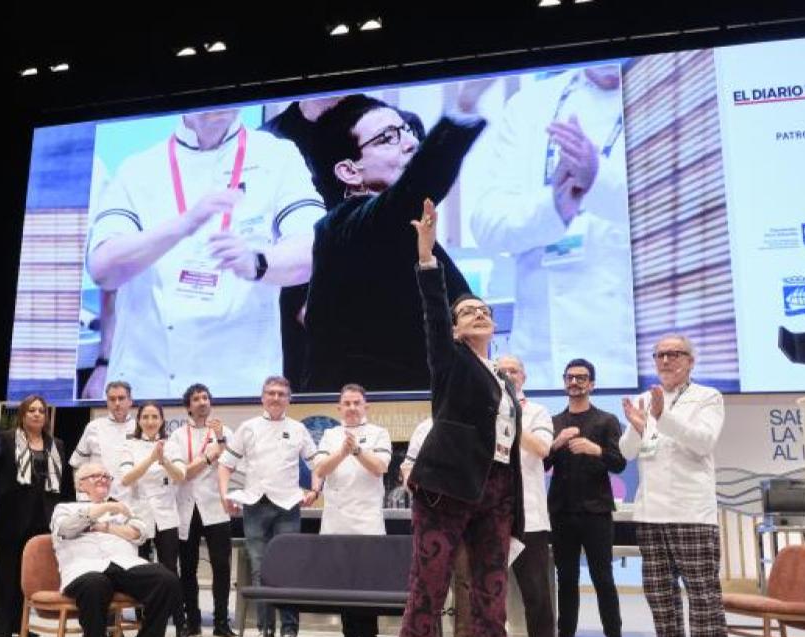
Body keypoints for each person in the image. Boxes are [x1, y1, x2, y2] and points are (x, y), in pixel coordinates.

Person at [385, 199, 523, 637]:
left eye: (483, 309)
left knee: (491, 611)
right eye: (467, 311)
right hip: (444, 493)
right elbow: (432, 306)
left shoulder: (504, 378)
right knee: (426, 597)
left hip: (494, 498)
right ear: (455, 327)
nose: (476, 313)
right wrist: (425, 255)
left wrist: (514, 508)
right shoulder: (449, 358)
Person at [84, 109, 324, 398]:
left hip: (239, 382)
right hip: (149, 383)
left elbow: (315, 248)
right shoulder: (139, 169)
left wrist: (257, 261)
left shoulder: (277, 157)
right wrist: (185, 224)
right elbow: (103, 267)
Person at [301, 81, 493, 393]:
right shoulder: (342, 228)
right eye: (387, 138)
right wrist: (463, 111)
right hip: (368, 417)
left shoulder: (400, 228)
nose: (409, 143)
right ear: (349, 172)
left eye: (406, 130)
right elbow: (415, 186)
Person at [469, 64, 637, 389]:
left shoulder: (672, 86)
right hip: (539, 361)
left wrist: (598, 179)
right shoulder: (531, 104)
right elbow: (487, 224)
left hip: (631, 358)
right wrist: (553, 208)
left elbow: (683, 203)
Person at [620, 334, 729, 637]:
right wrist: (637, 427)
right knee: (660, 595)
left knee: (703, 595)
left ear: (690, 361)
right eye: (660, 354)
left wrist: (663, 418)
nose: (666, 360)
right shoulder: (642, 399)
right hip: (651, 512)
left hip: (691, 511)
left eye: (674, 354)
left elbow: (703, 442)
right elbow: (626, 453)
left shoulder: (708, 397)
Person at [52, 462, 182, 637]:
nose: (103, 479)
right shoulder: (65, 508)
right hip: (85, 568)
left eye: (106, 476)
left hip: (125, 565)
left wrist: (104, 528)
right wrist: (103, 510)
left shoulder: (123, 509)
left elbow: (138, 533)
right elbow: (68, 528)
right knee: (96, 585)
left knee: (167, 580)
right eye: (95, 476)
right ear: (80, 484)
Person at [218, 375, 318, 637]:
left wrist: (315, 488)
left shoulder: (298, 429)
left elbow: (316, 461)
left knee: (289, 568)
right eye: (271, 393)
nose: (275, 398)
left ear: (289, 399)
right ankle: (264, 629)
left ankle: (289, 631)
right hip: (254, 506)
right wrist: (226, 494)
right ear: (262, 397)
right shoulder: (248, 428)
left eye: (281, 394)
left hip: (288, 507)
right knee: (261, 569)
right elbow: (226, 464)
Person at [545, 358, 629, 637]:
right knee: (565, 580)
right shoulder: (554, 421)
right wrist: (557, 443)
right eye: (570, 377)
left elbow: (619, 463)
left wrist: (596, 451)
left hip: (596, 512)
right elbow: (541, 464)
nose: (575, 382)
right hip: (562, 511)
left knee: (603, 580)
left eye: (582, 378)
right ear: (565, 382)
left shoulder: (607, 421)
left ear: (591, 384)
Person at [312, 383, 392, 637]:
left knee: (367, 584)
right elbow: (320, 469)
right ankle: (349, 634)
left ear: (366, 406)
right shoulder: (330, 435)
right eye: (346, 403)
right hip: (336, 519)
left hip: (367, 521)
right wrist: (343, 452)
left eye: (357, 402)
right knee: (341, 582)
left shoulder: (379, 433)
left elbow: (380, 467)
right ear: (339, 408)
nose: (352, 408)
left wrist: (356, 450)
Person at [0, 394, 70, 637]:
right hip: (9, 518)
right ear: (22, 414)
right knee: (4, 574)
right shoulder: (5, 440)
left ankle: (19, 623)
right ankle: (0, 627)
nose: (36, 414)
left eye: (41, 411)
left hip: (41, 520)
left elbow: (63, 485)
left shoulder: (56, 444)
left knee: (29, 576)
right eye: (31, 410)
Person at [495, 354, 557, 637]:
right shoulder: (483, 410)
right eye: (501, 371)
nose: (507, 375)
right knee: (486, 590)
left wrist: (512, 420)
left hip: (529, 517)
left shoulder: (537, 412)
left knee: (536, 592)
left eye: (513, 370)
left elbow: (543, 449)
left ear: (524, 376)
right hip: (490, 516)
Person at [117, 401, 193, 637]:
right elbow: (127, 479)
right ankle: (142, 624)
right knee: (138, 570)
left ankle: (181, 628)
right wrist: (151, 458)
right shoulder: (129, 445)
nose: (150, 421)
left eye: (155, 417)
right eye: (146, 417)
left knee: (171, 570)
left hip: (166, 515)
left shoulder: (173, 444)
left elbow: (180, 476)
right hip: (138, 514)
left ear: (162, 420)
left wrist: (164, 461)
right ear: (139, 421)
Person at [165, 383, 235, 637]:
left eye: (205, 397)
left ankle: (221, 623)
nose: (202, 402)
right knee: (188, 567)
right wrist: (208, 457)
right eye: (196, 399)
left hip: (215, 505)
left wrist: (221, 444)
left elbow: (232, 465)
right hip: (186, 506)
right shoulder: (177, 436)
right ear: (188, 406)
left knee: (221, 565)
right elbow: (181, 473)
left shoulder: (225, 432)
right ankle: (192, 622)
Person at [400, 416, 472, 637]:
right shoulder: (424, 426)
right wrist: (416, 487)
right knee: (427, 581)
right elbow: (407, 467)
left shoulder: (474, 422)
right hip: (432, 517)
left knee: (465, 580)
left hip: (465, 516)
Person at [70, 380, 135, 500]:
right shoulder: (94, 426)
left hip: (131, 499)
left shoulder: (138, 428)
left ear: (130, 401)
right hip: (98, 499)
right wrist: (82, 495)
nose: (117, 403)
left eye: (121, 398)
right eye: (112, 399)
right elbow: (78, 464)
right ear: (107, 402)